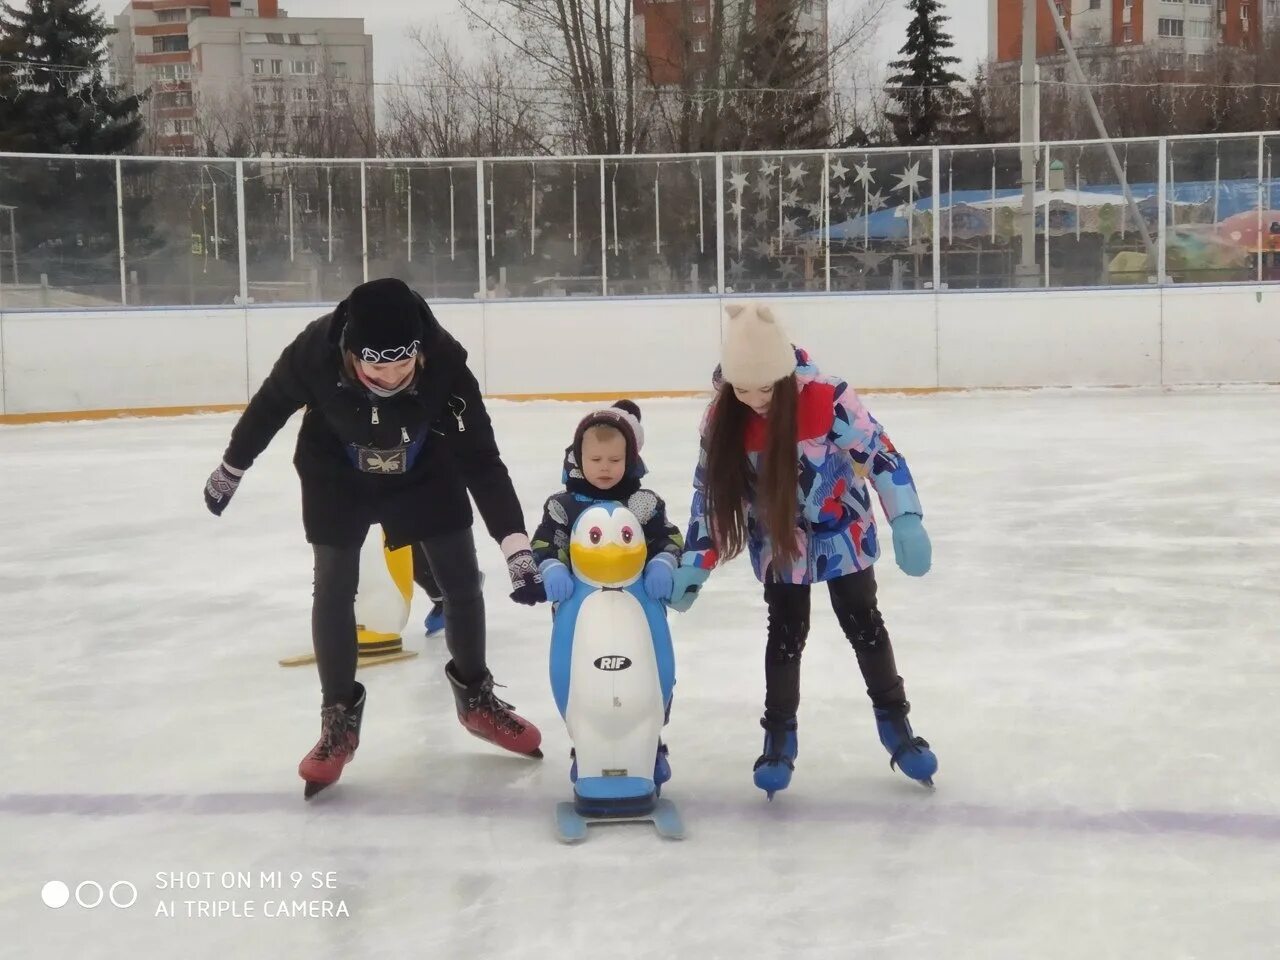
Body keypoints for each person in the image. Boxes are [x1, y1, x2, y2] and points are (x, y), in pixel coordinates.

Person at [203, 277, 546, 797]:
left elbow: (481, 457)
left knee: (460, 581)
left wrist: (516, 547)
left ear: (419, 351)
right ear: (348, 352)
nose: (389, 376)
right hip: (336, 472)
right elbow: (269, 407)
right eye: (375, 366)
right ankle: (337, 719)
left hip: (425, 469)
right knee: (334, 585)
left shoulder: (446, 363)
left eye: (402, 364)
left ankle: (476, 699)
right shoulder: (314, 352)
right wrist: (232, 466)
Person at [667, 302, 938, 796]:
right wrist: (696, 561)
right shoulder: (723, 417)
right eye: (742, 388)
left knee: (864, 624)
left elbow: (879, 452)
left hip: (844, 535)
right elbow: (708, 494)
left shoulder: (826, 397)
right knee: (786, 634)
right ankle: (778, 736)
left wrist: (906, 516)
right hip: (780, 544)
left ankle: (896, 725)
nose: (754, 400)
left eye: (765, 388)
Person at [530, 401, 683, 783]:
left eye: (615, 460)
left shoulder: (643, 504)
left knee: (646, 673)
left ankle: (652, 742)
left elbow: (670, 538)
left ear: (630, 460)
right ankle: (584, 746)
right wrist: (551, 567)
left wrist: (664, 562)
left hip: (639, 603)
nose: (604, 467)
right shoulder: (563, 506)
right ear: (577, 457)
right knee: (584, 674)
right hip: (579, 604)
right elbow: (544, 542)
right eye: (595, 458)